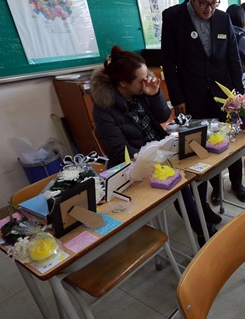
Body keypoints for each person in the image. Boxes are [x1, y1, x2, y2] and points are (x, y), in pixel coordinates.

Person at [90, 45, 219, 246]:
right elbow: (120, 152)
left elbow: (163, 117)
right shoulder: (104, 110)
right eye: (141, 80)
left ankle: (202, 209)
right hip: (136, 163)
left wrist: (155, 94)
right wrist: (160, 158)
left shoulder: (141, 92)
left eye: (147, 76)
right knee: (180, 184)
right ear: (123, 83)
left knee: (197, 165)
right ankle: (203, 230)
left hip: (161, 149)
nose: (147, 82)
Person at [161, 0, 245, 207]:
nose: (209, 8)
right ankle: (213, 187)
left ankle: (237, 182)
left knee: (229, 142)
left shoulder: (223, 19)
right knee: (202, 147)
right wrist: (177, 98)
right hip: (192, 96)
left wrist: (238, 96)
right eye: (203, 3)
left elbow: (233, 57)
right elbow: (168, 64)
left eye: (214, 2)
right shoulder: (173, 18)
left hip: (224, 95)